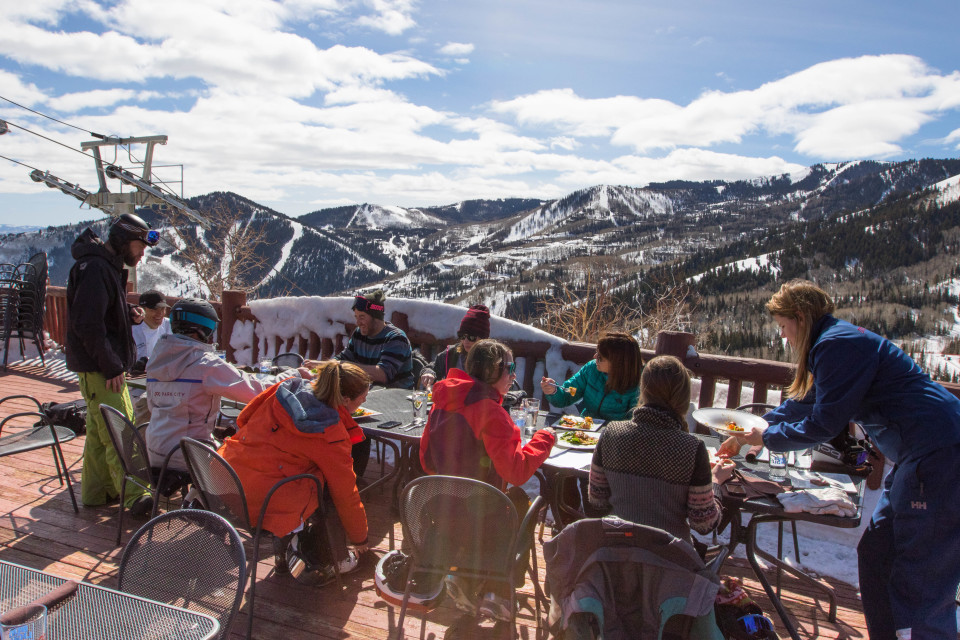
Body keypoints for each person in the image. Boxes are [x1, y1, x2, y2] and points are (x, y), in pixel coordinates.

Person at [717, 280, 960, 640]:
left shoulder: (837, 345)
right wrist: (753, 428)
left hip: (938, 454)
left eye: (784, 327)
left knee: (922, 576)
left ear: (800, 317)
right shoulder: (834, 342)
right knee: (878, 552)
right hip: (916, 455)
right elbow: (805, 404)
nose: (784, 337)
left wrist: (766, 438)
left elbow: (824, 423)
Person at [419, 339, 556, 621]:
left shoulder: (442, 402)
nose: (514, 375)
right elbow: (517, 472)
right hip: (481, 518)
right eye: (509, 368)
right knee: (520, 502)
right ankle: (498, 594)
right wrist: (545, 438)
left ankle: (463, 576)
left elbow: (426, 460)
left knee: (485, 503)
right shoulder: (491, 413)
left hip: (444, 510)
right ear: (494, 371)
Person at [219, 360, 372, 583]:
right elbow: (346, 494)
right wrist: (361, 539)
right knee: (326, 489)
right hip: (261, 503)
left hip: (225, 478)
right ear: (346, 400)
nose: (364, 401)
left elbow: (244, 418)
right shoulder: (331, 432)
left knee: (297, 474)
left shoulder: (287, 387)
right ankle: (330, 557)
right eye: (362, 399)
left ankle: (283, 553)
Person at [145, 298, 307, 472]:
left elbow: (152, 406)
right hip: (190, 455)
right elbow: (257, 391)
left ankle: (195, 498)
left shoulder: (157, 360)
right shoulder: (205, 364)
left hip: (155, 450)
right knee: (254, 460)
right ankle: (213, 498)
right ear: (203, 329)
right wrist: (295, 374)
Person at [66, 213, 158, 515]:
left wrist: (127, 311)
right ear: (123, 239)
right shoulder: (95, 268)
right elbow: (87, 324)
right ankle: (135, 497)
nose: (142, 253)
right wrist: (112, 366)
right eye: (139, 245)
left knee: (98, 429)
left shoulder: (100, 265)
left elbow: (98, 310)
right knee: (122, 430)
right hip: (102, 369)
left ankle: (97, 492)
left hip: (95, 367)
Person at [588, 355, 725, 549]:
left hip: (616, 556)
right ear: (683, 397)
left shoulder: (611, 433)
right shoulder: (692, 448)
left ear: (643, 391)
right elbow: (703, 524)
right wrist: (716, 483)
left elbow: (597, 500)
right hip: (670, 565)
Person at [334, 290, 413, 479]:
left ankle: (352, 477)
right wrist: (326, 366)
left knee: (351, 417)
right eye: (356, 317)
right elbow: (343, 358)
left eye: (362, 316)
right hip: (368, 394)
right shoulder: (360, 334)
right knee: (337, 410)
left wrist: (344, 366)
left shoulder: (395, 338)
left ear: (376, 317)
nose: (358, 321)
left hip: (397, 398)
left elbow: (383, 374)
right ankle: (342, 473)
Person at [540, 332, 642, 421]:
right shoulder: (592, 369)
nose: (594, 357)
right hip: (587, 427)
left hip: (615, 436)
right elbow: (568, 394)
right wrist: (554, 391)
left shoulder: (638, 384)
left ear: (617, 363)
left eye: (600, 357)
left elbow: (635, 423)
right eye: (596, 352)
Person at [418, 304, 490, 389]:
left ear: (483, 339)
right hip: (452, 400)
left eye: (471, 337)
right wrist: (429, 373)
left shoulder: (491, 359)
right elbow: (432, 367)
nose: (465, 341)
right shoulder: (452, 353)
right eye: (462, 336)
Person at [130, 289, 171, 366]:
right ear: (142, 310)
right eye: (154, 309)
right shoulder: (131, 330)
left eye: (163, 309)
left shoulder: (170, 326)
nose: (160, 313)